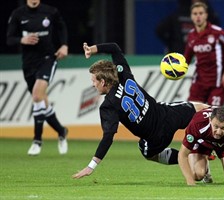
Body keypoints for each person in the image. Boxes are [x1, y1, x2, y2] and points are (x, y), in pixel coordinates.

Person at [72, 42, 211, 179]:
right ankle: (222, 130)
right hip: (167, 115)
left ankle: (192, 156)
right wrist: (92, 49)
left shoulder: (108, 105)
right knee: (201, 108)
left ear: (103, 82)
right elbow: (114, 47)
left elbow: (108, 137)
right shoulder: (123, 74)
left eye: (94, 81)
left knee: (148, 153)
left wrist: (91, 166)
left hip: (155, 139)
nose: (93, 84)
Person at [6, 0, 68, 155]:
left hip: (48, 58)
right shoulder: (18, 14)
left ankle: (37, 140)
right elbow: (9, 38)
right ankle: (61, 131)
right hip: (28, 64)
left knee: (36, 95)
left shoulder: (50, 11)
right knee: (41, 100)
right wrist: (22, 39)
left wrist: (64, 45)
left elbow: (62, 28)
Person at [184, 2, 224, 106]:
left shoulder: (217, 33)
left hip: (217, 83)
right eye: (195, 14)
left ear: (206, 15)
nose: (198, 16)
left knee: (214, 114)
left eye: (201, 13)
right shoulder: (191, 35)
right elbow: (187, 58)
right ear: (191, 16)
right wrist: (177, 69)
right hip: (199, 82)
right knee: (192, 112)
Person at [156, 0, 220, 54]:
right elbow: (160, 30)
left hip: (200, 55)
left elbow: (216, 28)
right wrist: (172, 44)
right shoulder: (177, 16)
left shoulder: (208, 15)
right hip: (180, 55)